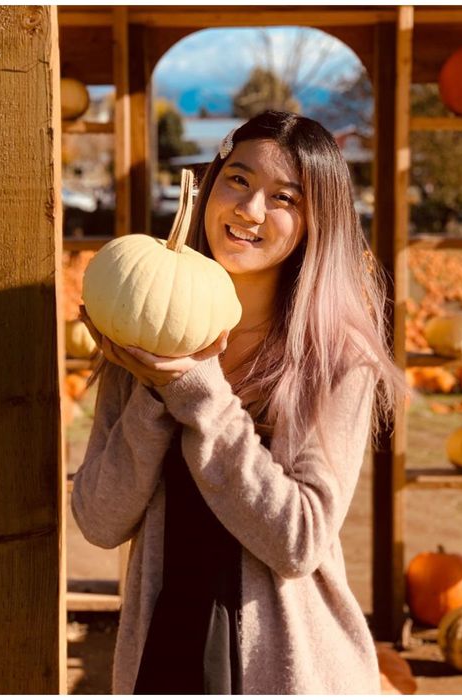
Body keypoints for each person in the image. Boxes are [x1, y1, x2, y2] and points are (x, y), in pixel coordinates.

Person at [73, 110, 405, 694]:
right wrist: (152, 389)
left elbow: (299, 540)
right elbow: (100, 521)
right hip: (166, 647)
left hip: (286, 664)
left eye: (284, 198)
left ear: (316, 221)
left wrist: (193, 390)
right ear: (210, 184)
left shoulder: (336, 358)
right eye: (238, 180)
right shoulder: (142, 330)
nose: (250, 210)